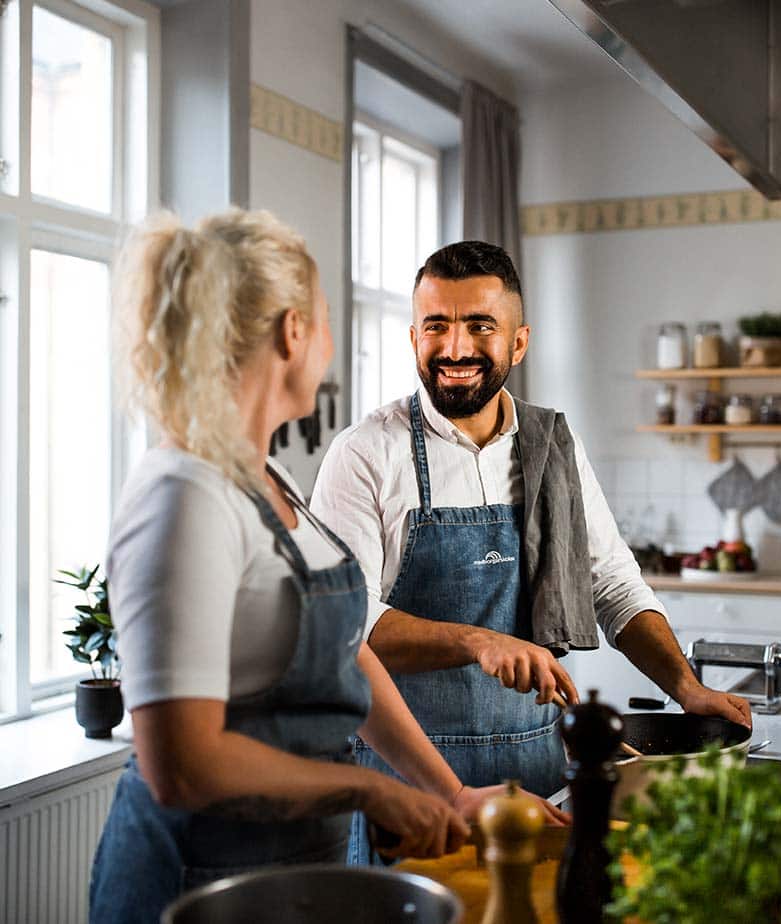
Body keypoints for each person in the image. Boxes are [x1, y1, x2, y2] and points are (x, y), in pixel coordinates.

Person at [89, 214, 565, 924]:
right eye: (326, 320)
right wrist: (366, 790)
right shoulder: (182, 496)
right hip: (198, 883)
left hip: (294, 870)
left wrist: (449, 792)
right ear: (293, 331)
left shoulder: (267, 478)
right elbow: (181, 764)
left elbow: (350, 653)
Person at [310, 241, 752, 858]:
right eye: (437, 326)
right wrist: (477, 640)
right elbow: (346, 628)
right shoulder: (364, 455)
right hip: (412, 786)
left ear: (518, 343)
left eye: (480, 326)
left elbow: (614, 586)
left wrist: (686, 688)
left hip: (537, 779)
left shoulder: (554, 449)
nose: (456, 348)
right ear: (413, 338)